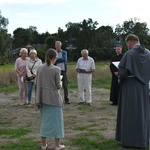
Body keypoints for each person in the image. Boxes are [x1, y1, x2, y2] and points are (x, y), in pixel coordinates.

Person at [116, 34, 150, 149]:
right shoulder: (148, 53)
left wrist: (119, 77)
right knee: (143, 113)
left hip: (131, 87)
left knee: (129, 113)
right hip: (144, 87)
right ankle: (143, 139)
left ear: (129, 43)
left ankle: (129, 140)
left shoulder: (129, 54)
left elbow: (123, 72)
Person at [35, 49, 65, 150]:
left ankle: (44, 144)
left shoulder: (40, 68)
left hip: (43, 98)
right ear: (55, 58)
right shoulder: (56, 69)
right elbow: (58, 86)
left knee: (45, 121)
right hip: (54, 99)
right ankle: (57, 145)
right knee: (57, 121)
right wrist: (60, 82)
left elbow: (37, 83)